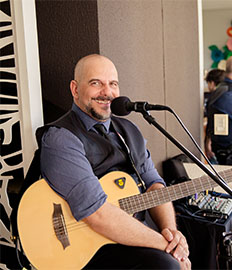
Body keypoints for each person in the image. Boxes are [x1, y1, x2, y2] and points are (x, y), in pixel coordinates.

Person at [37, 54, 191, 269]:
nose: (107, 92)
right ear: (75, 89)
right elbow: (97, 213)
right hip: (89, 245)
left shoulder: (130, 131)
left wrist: (171, 233)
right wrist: (168, 246)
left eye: (113, 84)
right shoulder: (60, 138)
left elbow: (154, 185)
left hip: (133, 233)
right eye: (95, 83)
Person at [204, 69, 225, 162]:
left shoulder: (212, 99)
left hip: (216, 144)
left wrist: (207, 143)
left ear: (212, 83)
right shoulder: (228, 96)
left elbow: (211, 124)